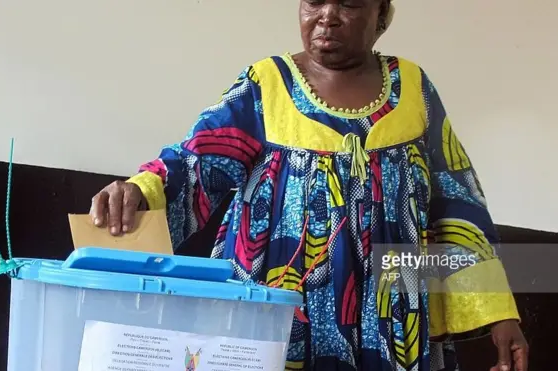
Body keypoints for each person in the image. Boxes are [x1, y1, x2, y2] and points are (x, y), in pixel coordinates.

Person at [89, 1, 528, 370]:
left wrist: (497, 311)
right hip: (275, 310)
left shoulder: (414, 89)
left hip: (395, 315)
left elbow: (456, 202)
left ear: (381, 15)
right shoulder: (266, 85)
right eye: (314, 1)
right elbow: (195, 161)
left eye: (350, 3)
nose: (327, 16)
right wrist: (138, 191)